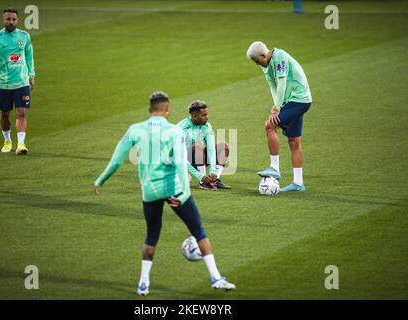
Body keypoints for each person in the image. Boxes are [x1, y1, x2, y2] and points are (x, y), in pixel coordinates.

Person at [94, 92, 236, 296]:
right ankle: (216, 277)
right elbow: (179, 163)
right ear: (167, 110)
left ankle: (143, 283)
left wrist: (100, 180)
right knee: (199, 231)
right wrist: (185, 191)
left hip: (150, 192)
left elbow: (117, 160)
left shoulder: (135, 130)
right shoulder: (174, 131)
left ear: (149, 109)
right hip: (174, 190)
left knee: (151, 236)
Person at [246, 41, 312, 192]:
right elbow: (273, 86)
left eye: (257, 61)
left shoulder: (280, 57)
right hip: (291, 101)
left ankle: (274, 167)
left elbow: (281, 83)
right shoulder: (266, 65)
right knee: (294, 141)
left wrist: (276, 108)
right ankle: (298, 183)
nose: (257, 64)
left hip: (299, 100)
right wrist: (277, 104)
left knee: (270, 125)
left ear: (263, 55)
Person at [0, 8, 35, 155]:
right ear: (3, 20)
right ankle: (7, 141)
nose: (11, 22)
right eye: (8, 19)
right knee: (5, 114)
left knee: (21, 112)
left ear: (17, 20)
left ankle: (21, 144)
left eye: (13, 19)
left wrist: (31, 75)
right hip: (4, 83)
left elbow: (29, 56)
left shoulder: (24, 36)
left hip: (21, 81)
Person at [177, 100, 231, 191]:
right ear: (194, 116)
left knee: (223, 146)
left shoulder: (206, 126)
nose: (207, 118)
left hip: (194, 160)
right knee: (199, 144)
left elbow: (210, 149)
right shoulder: (181, 129)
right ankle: (204, 182)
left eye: (207, 114)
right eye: (204, 115)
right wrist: (199, 176)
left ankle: (214, 180)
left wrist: (213, 170)